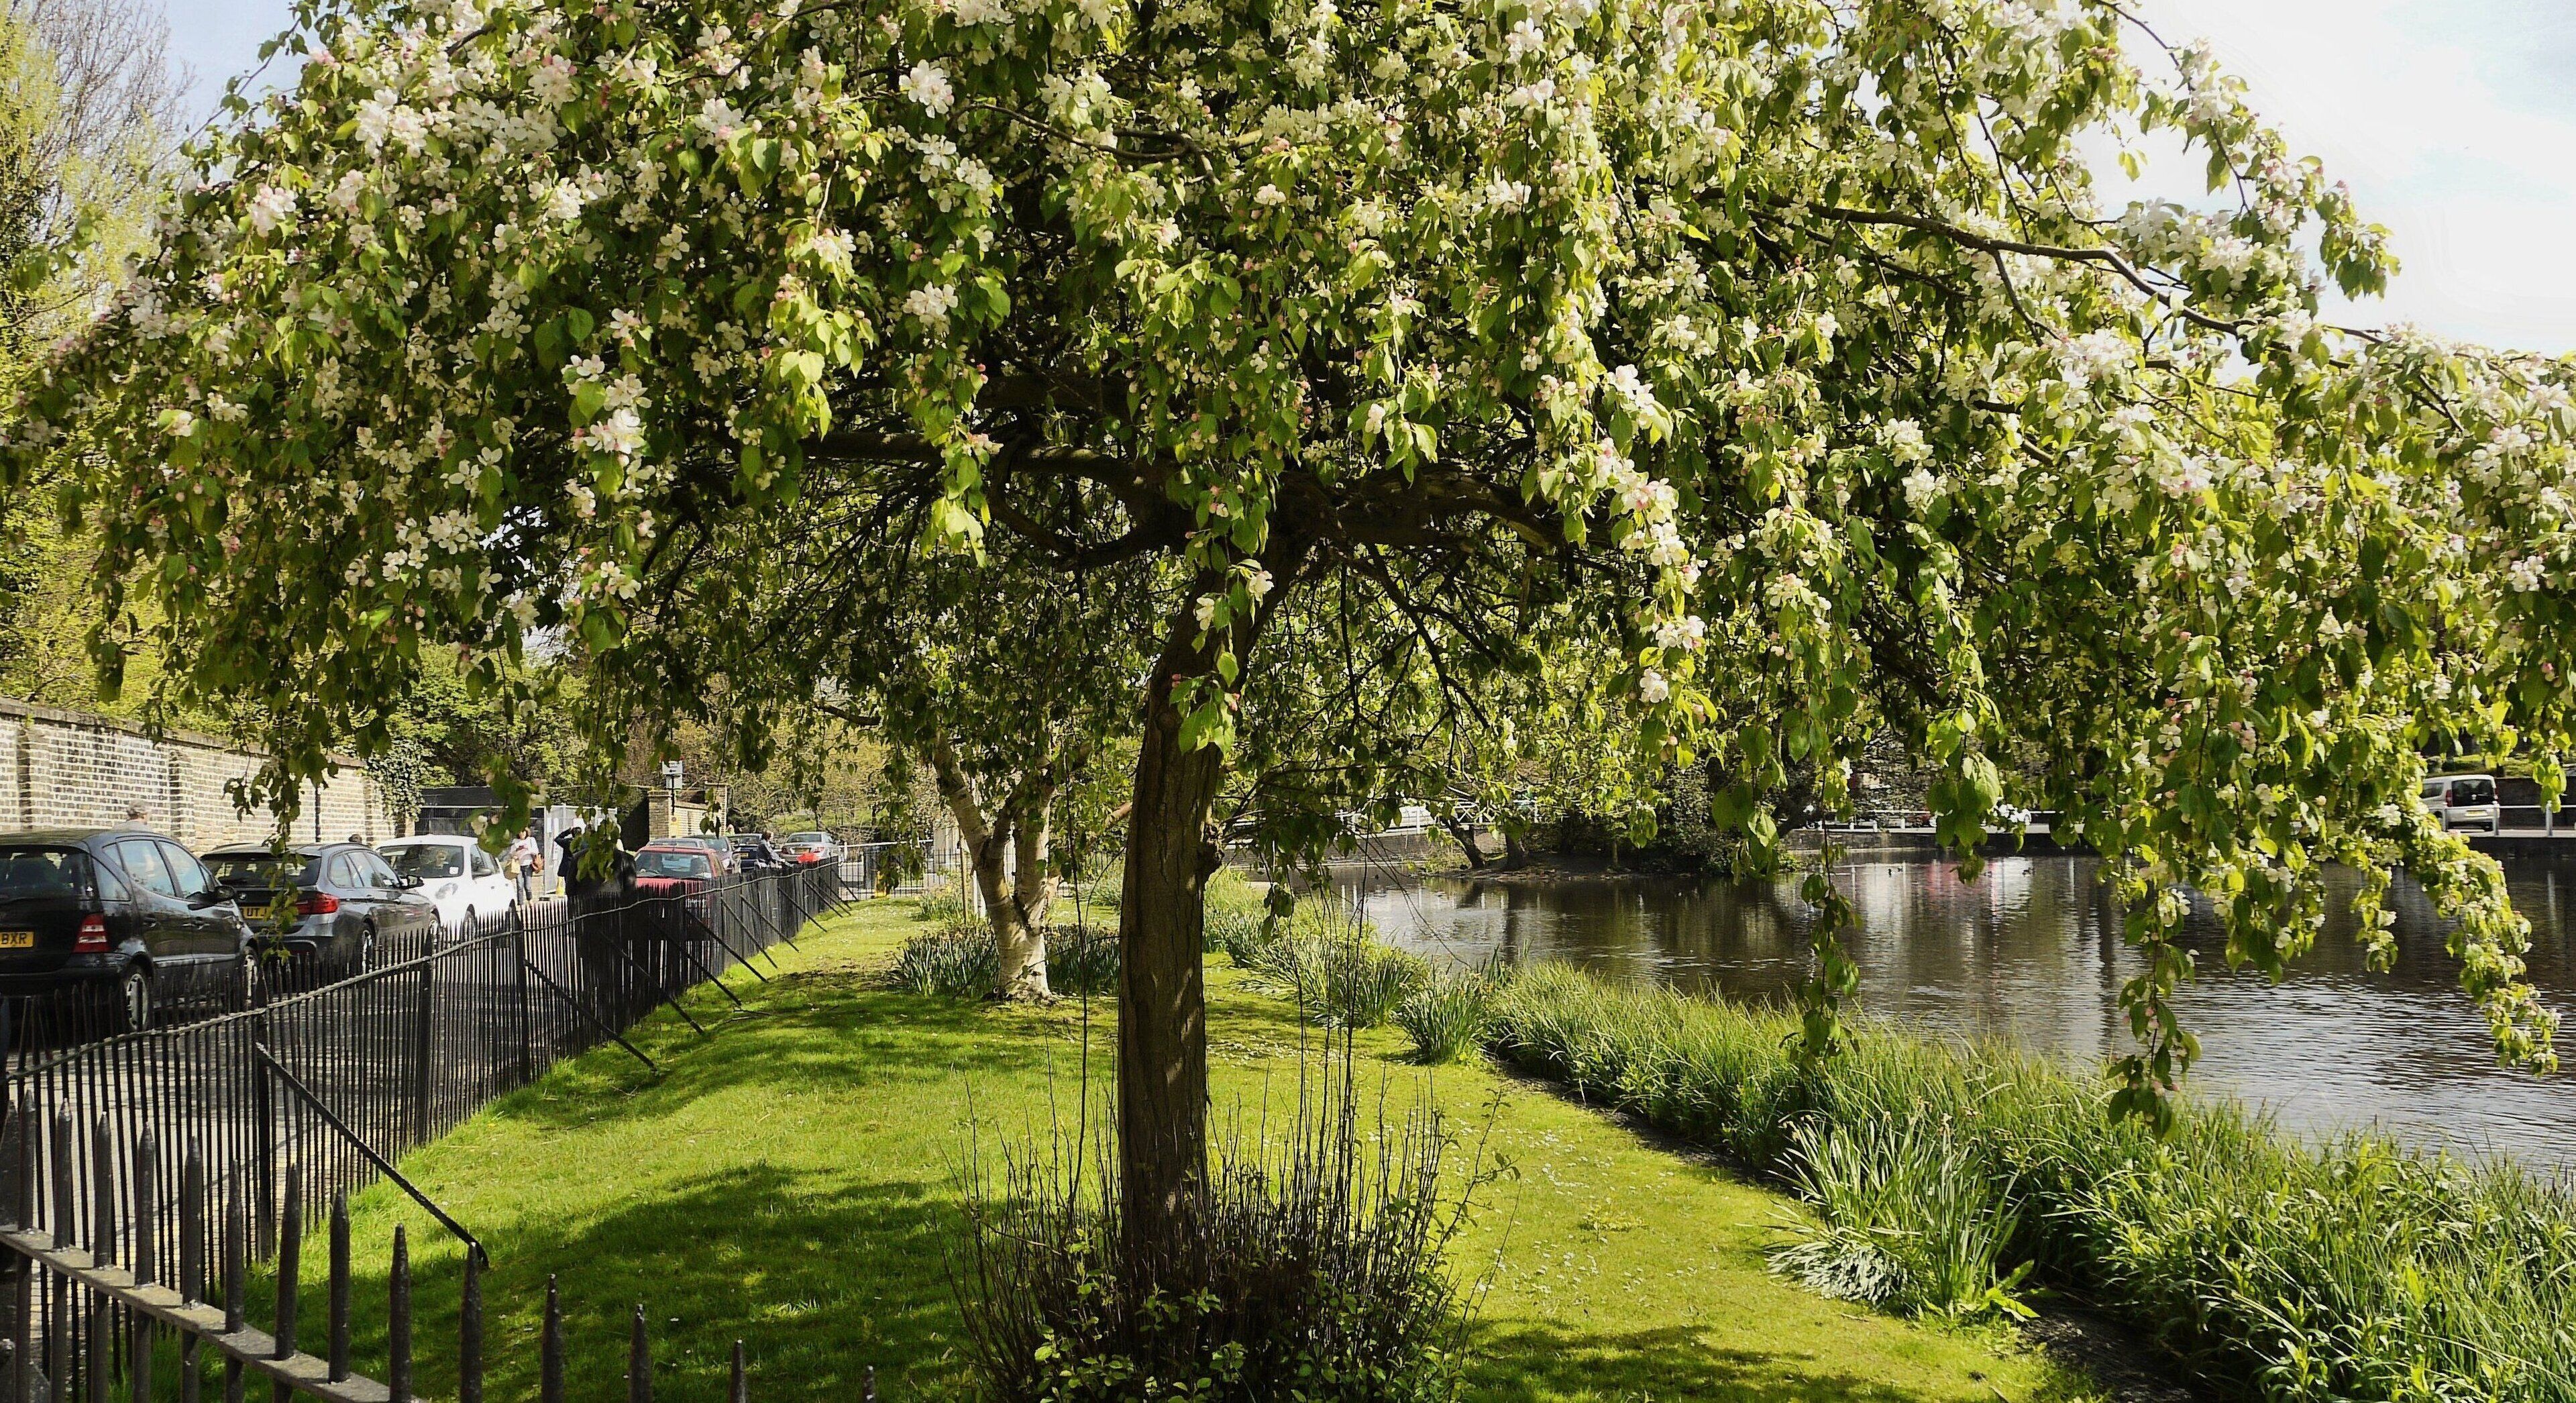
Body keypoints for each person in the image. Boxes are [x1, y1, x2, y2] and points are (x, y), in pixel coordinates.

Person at [505, 828, 541, 904]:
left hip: (528, 865)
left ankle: (530, 901)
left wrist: (527, 849)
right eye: (520, 832)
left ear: (527, 832)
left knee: (528, 886)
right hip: (518, 866)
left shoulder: (531, 840)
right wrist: (517, 851)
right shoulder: (516, 841)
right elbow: (512, 853)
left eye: (524, 832)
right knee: (520, 886)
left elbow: (536, 851)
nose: (522, 834)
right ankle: (521, 904)